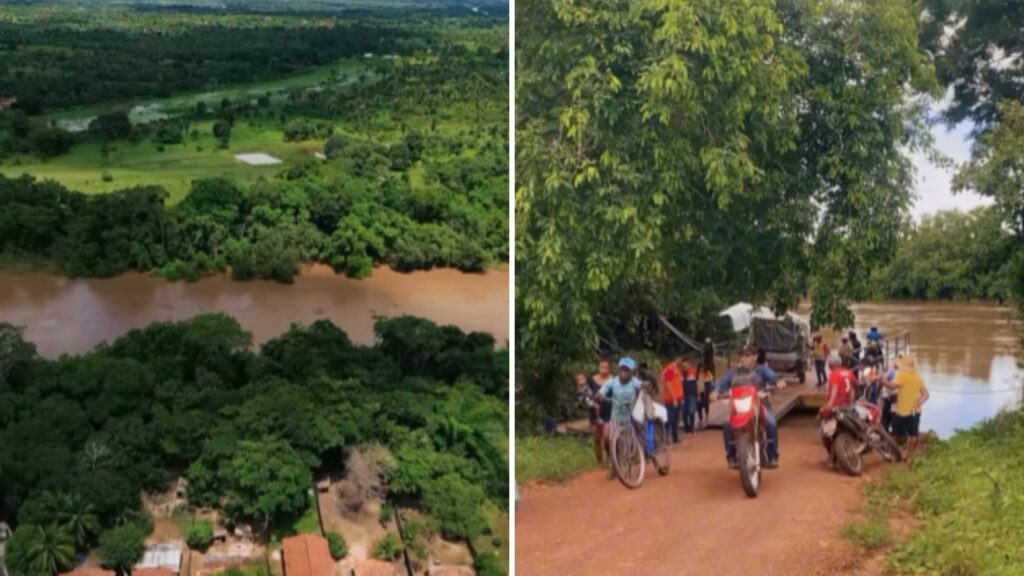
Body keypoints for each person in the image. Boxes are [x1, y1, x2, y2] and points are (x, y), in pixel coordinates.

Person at [710, 346, 784, 469]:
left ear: (755, 357)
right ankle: (731, 456)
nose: (744, 358)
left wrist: (778, 381)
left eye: (747, 355)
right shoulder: (733, 372)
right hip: (739, 407)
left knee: (771, 424)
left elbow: (773, 376)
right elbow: (721, 383)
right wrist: (716, 391)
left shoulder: (761, 370)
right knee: (727, 425)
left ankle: (772, 456)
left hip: (759, 404)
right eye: (742, 355)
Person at [882, 355, 929, 462]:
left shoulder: (901, 375)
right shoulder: (918, 377)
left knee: (895, 434)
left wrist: (882, 380)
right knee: (913, 434)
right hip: (915, 411)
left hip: (901, 411)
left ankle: (892, 453)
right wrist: (918, 403)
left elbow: (892, 386)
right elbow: (926, 394)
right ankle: (909, 456)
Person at [818, 354, 854, 466]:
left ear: (831, 364)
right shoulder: (849, 372)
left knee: (825, 434)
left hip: (835, 408)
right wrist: (851, 404)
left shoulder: (833, 374)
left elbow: (834, 390)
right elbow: (852, 389)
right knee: (841, 432)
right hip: (847, 407)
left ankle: (832, 458)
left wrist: (827, 406)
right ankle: (836, 457)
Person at [576, 372, 608, 466]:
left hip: (603, 411)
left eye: (582, 379)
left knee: (606, 438)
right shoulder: (580, 390)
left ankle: (610, 458)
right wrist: (591, 403)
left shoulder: (591, 384)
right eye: (579, 380)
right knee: (596, 439)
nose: (581, 381)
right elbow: (582, 400)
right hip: (592, 411)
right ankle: (600, 462)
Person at [661, 357, 683, 443]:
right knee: (670, 418)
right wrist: (674, 398)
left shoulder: (675, 369)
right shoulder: (670, 369)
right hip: (671, 399)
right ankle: (666, 437)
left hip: (677, 398)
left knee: (675, 419)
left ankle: (675, 437)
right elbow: (668, 384)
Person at [681, 361, 699, 434]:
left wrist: (697, 394)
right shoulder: (679, 375)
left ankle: (692, 426)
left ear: (689, 366)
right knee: (684, 412)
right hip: (683, 396)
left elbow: (697, 383)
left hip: (692, 395)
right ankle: (686, 428)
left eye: (686, 366)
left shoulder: (693, 373)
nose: (685, 368)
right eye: (684, 366)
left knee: (691, 411)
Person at [697, 362, 715, 429]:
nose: (701, 369)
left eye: (702, 367)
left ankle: (707, 417)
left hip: (706, 392)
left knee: (706, 404)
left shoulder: (707, 373)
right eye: (700, 367)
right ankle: (700, 419)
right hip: (699, 392)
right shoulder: (697, 375)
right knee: (699, 406)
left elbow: (711, 380)